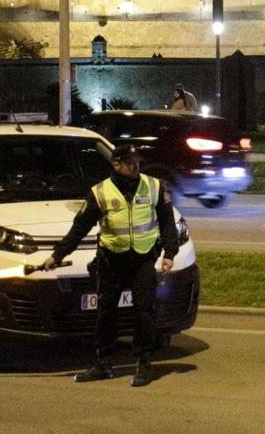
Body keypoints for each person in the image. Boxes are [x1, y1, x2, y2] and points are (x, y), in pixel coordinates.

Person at [39, 144, 182, 387]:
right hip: (112, 260)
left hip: (143, 258)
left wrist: (170, 253)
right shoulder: (100, 192)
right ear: (116, 165)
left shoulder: (154, 186)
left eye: (137, 163)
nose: (136, 167)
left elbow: (168, 222)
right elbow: (79, 228)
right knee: (106, 313)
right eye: (130, 163)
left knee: (144, 311)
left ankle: (144, 363)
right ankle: (103, 363)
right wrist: (56, 256)